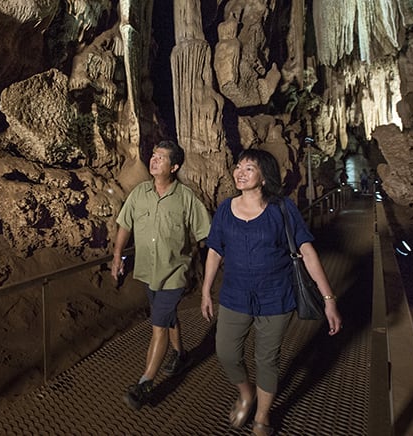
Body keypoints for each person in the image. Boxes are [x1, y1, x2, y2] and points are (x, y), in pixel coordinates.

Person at [200, 149, 342, 436]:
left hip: (276, 296)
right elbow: (215, 250)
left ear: (264, 177)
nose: (240, 172)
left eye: (249, 168)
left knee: (267, 359)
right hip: (235, 296)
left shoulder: (282, 209)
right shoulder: (225, 209)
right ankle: (246, 393)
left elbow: (306, 251)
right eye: (238, 167)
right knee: (226, 352)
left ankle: (262, 417)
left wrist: (329, 300)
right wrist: (205, 291)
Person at [111, 139, 211, 411]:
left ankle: (144, 383)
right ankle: (181, 356)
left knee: (158, 326)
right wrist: (117, 256)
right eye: (153, 155)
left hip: (174, 273)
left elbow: (207, 233)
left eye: (161, 158)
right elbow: (124, 224)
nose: (153, 160)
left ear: (174, 166)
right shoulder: (139, 193)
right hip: (148, 271)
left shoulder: (186, 198)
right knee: (166, 318)